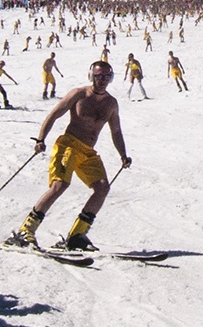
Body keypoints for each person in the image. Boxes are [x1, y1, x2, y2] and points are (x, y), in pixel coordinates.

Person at [7, 60, 131, 251]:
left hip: (88, 152)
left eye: (106, 76)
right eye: (98, 76)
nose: (102, 80)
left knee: (102, 188)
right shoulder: (79, 94)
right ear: (91, 76)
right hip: (68, 145)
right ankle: (26, 231)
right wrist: (41, 139)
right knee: (59, 185)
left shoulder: (111, 103)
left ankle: (77, 235)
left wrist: (123, 154)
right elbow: (54, 114)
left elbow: (116, 131)